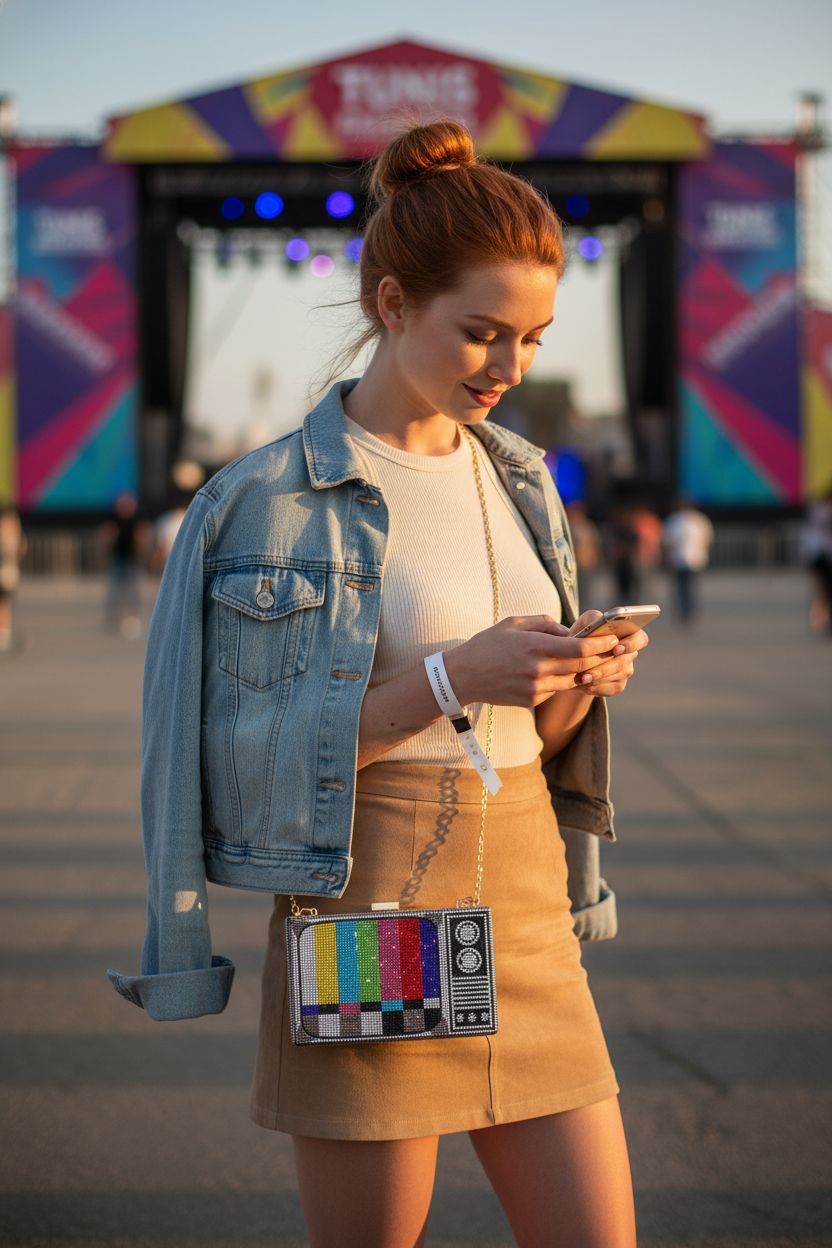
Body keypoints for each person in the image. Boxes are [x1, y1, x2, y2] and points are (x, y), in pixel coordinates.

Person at [107, 120, 650, 1247]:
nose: (509, 368)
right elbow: (233, 763)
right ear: (394, 304)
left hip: (529, 900)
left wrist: (575, 680)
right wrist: (456, 673)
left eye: (535, 338)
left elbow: (529, 743)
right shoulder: (261, 501)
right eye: (482, 333)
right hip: (373, 902)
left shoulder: (524, 484)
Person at [663, 498, 714, 625]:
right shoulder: (674, 520)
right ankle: (682, 612)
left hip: (694, 559)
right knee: (680, 588)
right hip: (678, 559)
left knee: (691, 588)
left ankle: (691, 612)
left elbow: (706, 538)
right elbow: (667, 541)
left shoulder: (699, 520)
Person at [0, 505, 25, 653]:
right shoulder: (7, 536)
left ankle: (4, 635)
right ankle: (4, 636)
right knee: (4, 605)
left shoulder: (13, 536)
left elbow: (20, 552)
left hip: (9, 575)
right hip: (5, 576)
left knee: (5, 605)